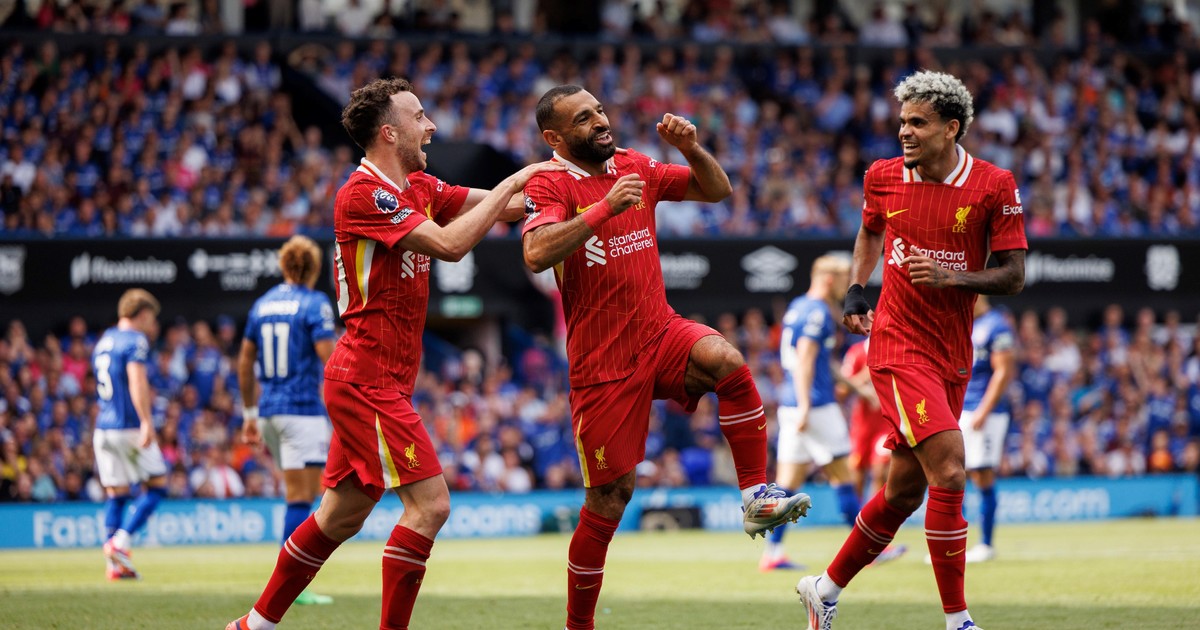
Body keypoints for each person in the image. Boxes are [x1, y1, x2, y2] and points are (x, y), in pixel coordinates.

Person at [226, 77, 561, 630]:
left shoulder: (420, 186)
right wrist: (516, 180)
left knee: (340, 515)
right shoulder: (364, 194)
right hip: (367, 378)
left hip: (377, 379)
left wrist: (572, 190)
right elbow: (451, 244)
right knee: (431, 506)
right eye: (419, 116)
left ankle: (252, 626)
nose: (431, 126)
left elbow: (506, 207)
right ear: (389, 132)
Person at [521, 84, 811, 630]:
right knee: (610, 499)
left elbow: (717, 190)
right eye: (583, 118)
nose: (600, 121)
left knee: (727, 360)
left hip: (659, 331)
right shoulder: (549, 182)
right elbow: (535, 252)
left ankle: (755, 495)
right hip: (602, 364)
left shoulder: (634, 164)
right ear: (554, 138)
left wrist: (691, 148)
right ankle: (578, 625)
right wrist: (605, 207)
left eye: (600, 110)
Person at [796, 70, 1027, 630]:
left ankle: (822, 589)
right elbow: (870, 230)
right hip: (898, 345)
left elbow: (1014, 275)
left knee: (902, 493)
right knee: (950, 468)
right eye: (902, 121)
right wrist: (857, 288)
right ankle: (958, 620)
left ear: (952, 128)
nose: (904, 131)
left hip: (953, 353)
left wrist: (952, 278)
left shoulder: (993, 185)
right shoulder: (882, 176)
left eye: (918, 122)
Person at [760, 255, 905, 572]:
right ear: (828, 279)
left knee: (788, 482)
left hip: (791, 405)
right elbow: (806, 360)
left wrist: (857, 389)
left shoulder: (798, 306)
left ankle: (772, 553)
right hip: (816, 406)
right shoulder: (818, 313)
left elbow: (822, 362)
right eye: (843, 281)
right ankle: (870, 549)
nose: (846, 288)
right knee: (844, 477)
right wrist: (807, 405)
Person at [238, 234, 337, 606]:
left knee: (299, 495)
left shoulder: (262, 305)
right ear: (314, 268)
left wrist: (249, 413)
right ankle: (291, 586)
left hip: (268, 412)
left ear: (283, 265)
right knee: (301, 498)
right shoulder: (314, 303)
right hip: (301, 411)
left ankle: (291, 581)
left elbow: (245, 360)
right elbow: (329, 358)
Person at [93, 288, 166, 580]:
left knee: (117, 494)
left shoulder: (104, 341)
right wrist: (146, 421)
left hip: (103, 429)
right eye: (152, 319)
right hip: (128, 427)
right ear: (143, 314)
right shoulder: (135, 340)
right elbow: (137, 381)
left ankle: (115, 567)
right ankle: (120, 543)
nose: (153, 325)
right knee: (158, 485)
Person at [957, 295, 1016, 563]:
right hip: (962, 409)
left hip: (985, 413)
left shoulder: (997, 325)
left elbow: (1003, 371)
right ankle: (953, 545)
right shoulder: (965, 323)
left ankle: (986, 544)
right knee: (955, 475)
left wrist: (984, 409)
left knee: (982, 475)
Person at [840, 338, 891, 501]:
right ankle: (857, 513)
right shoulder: (856, 352)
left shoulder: (894, 350)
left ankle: (875, 513)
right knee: (856, 475)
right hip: (861, 426)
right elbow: (841, 390)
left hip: (886, 424)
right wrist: (867, 373)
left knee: (881, 470)